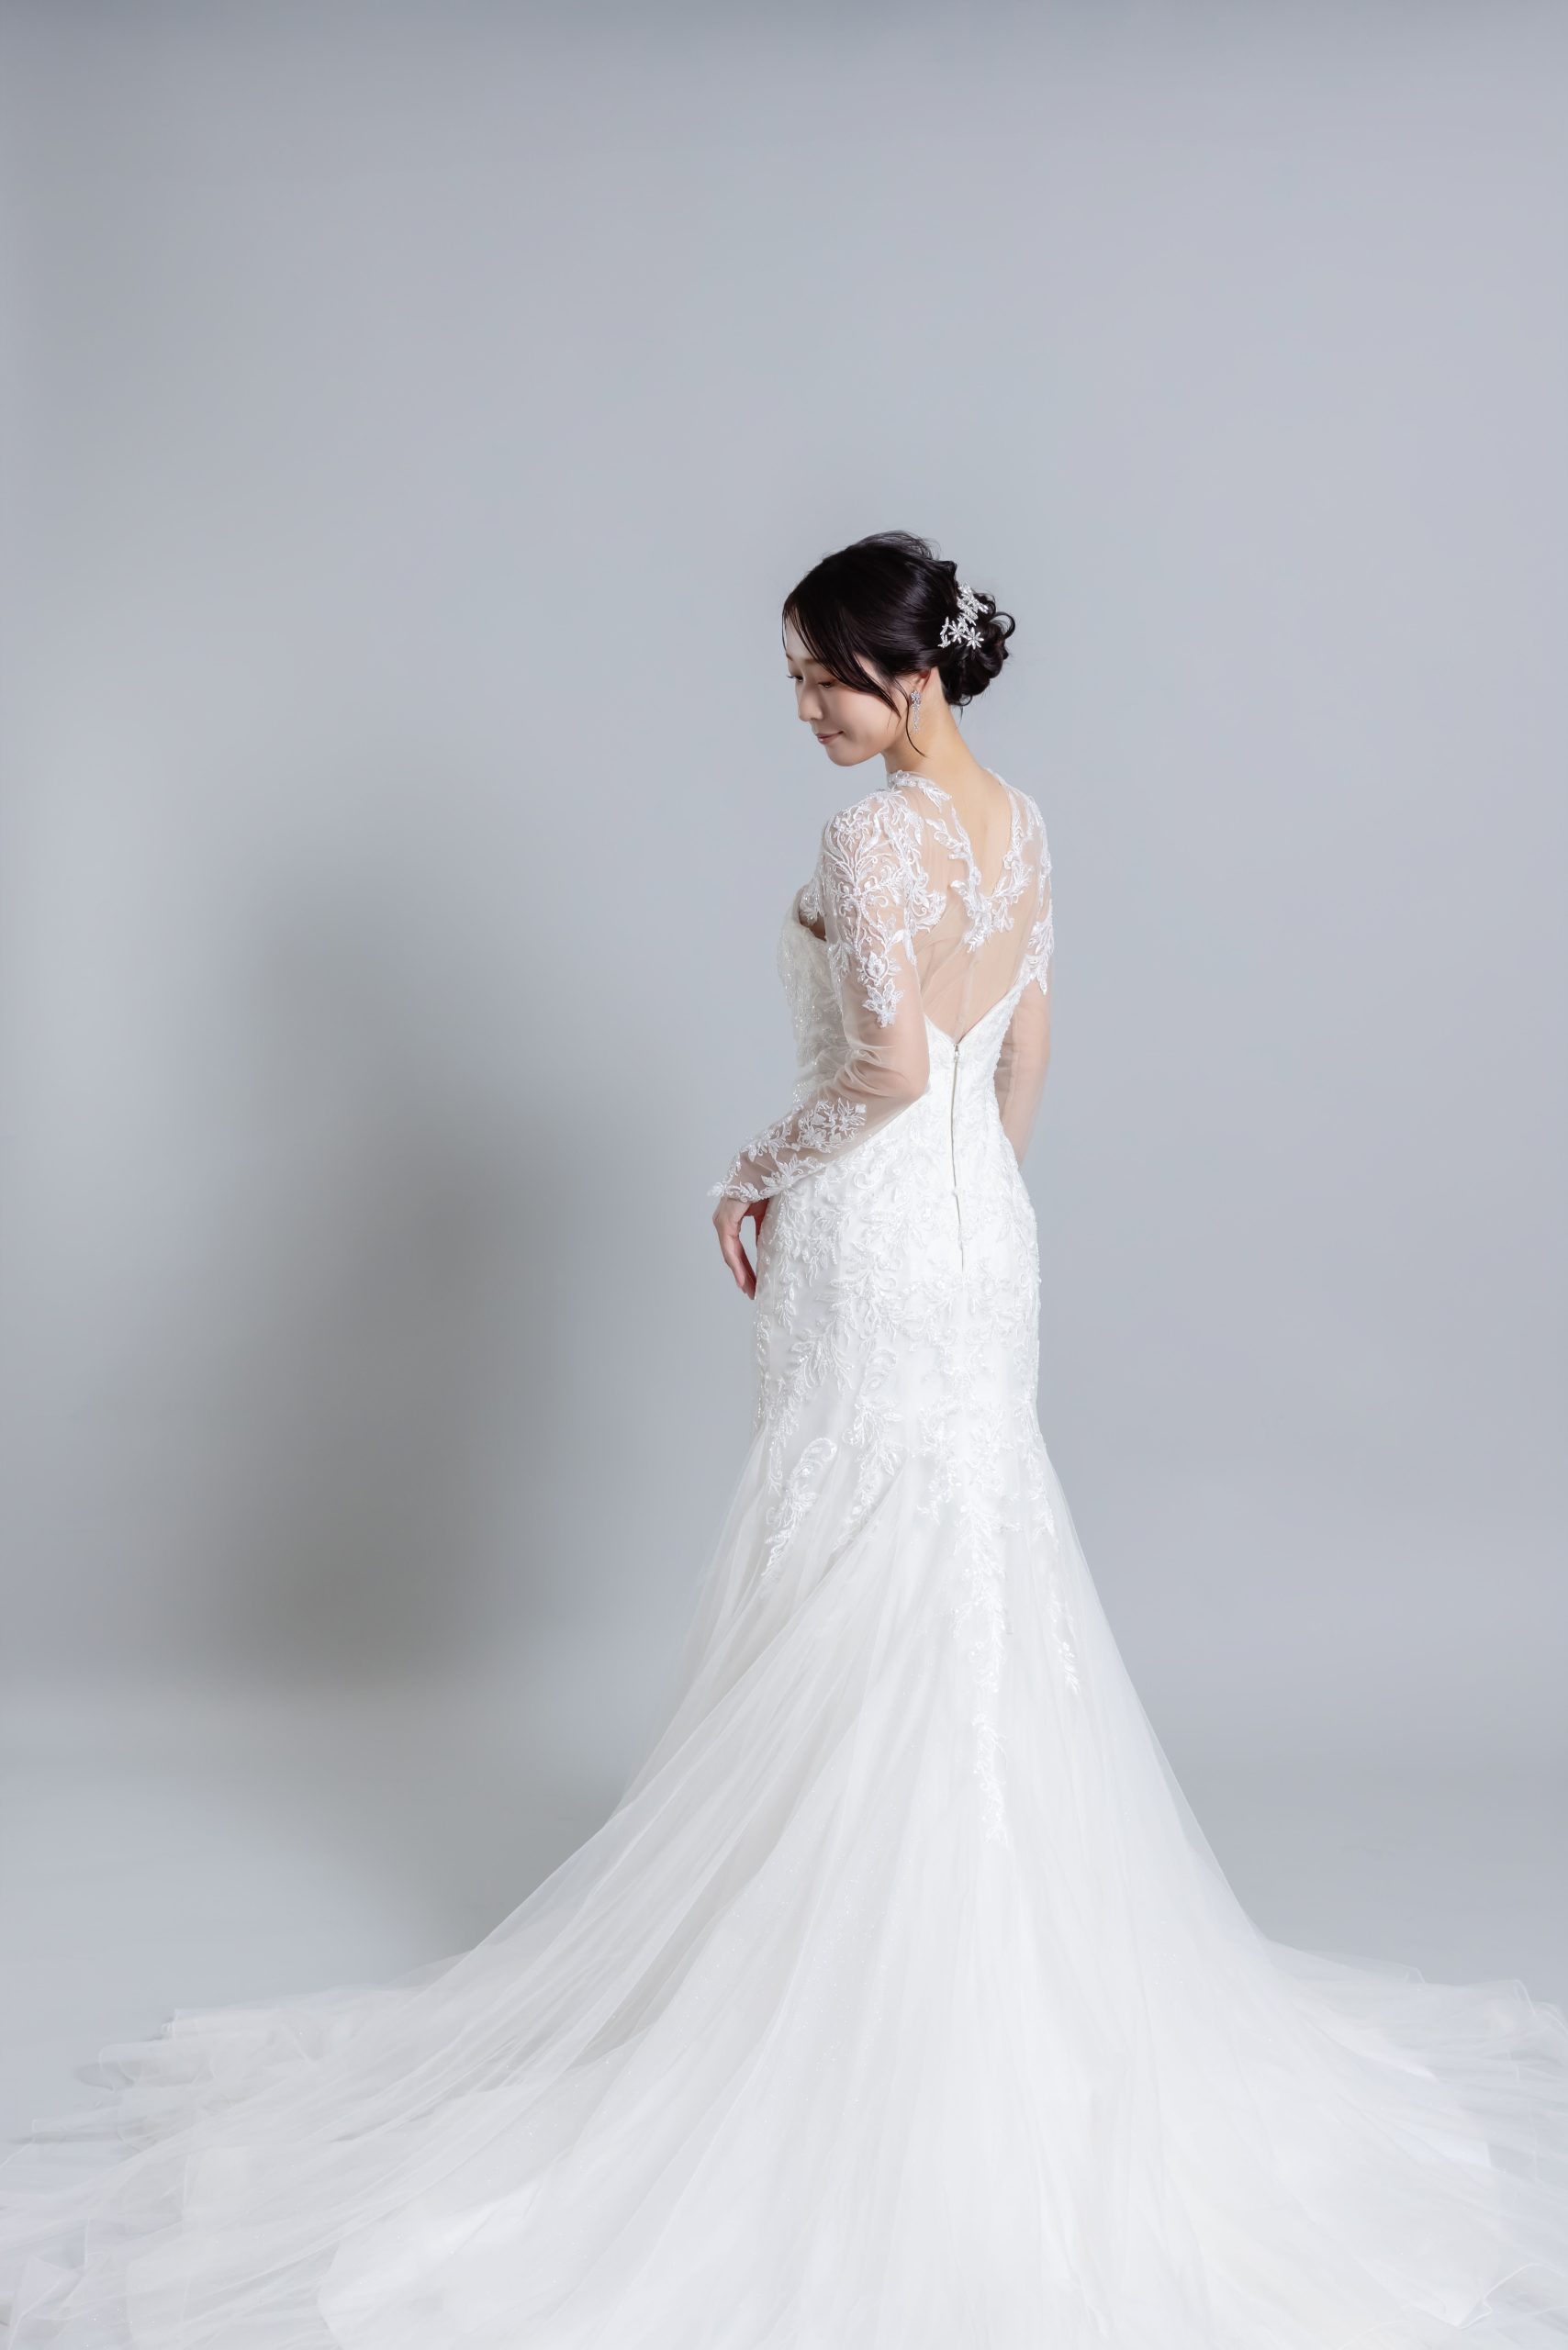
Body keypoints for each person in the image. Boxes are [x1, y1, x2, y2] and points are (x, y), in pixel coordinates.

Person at [2, 531, 1565, 2348]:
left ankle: (848, 1984)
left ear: (910, 674)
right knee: (957, 1560)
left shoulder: (873, 839)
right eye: (797, 682)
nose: (806, 712)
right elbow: (1018, 1047)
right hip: (978, 1234)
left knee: (855, 1560)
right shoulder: (1022, 823)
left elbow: (883, 1063)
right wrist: (972, 1199)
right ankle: (961, 1973)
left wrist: (754, 1170)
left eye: (825, 679)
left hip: (875, 1226)